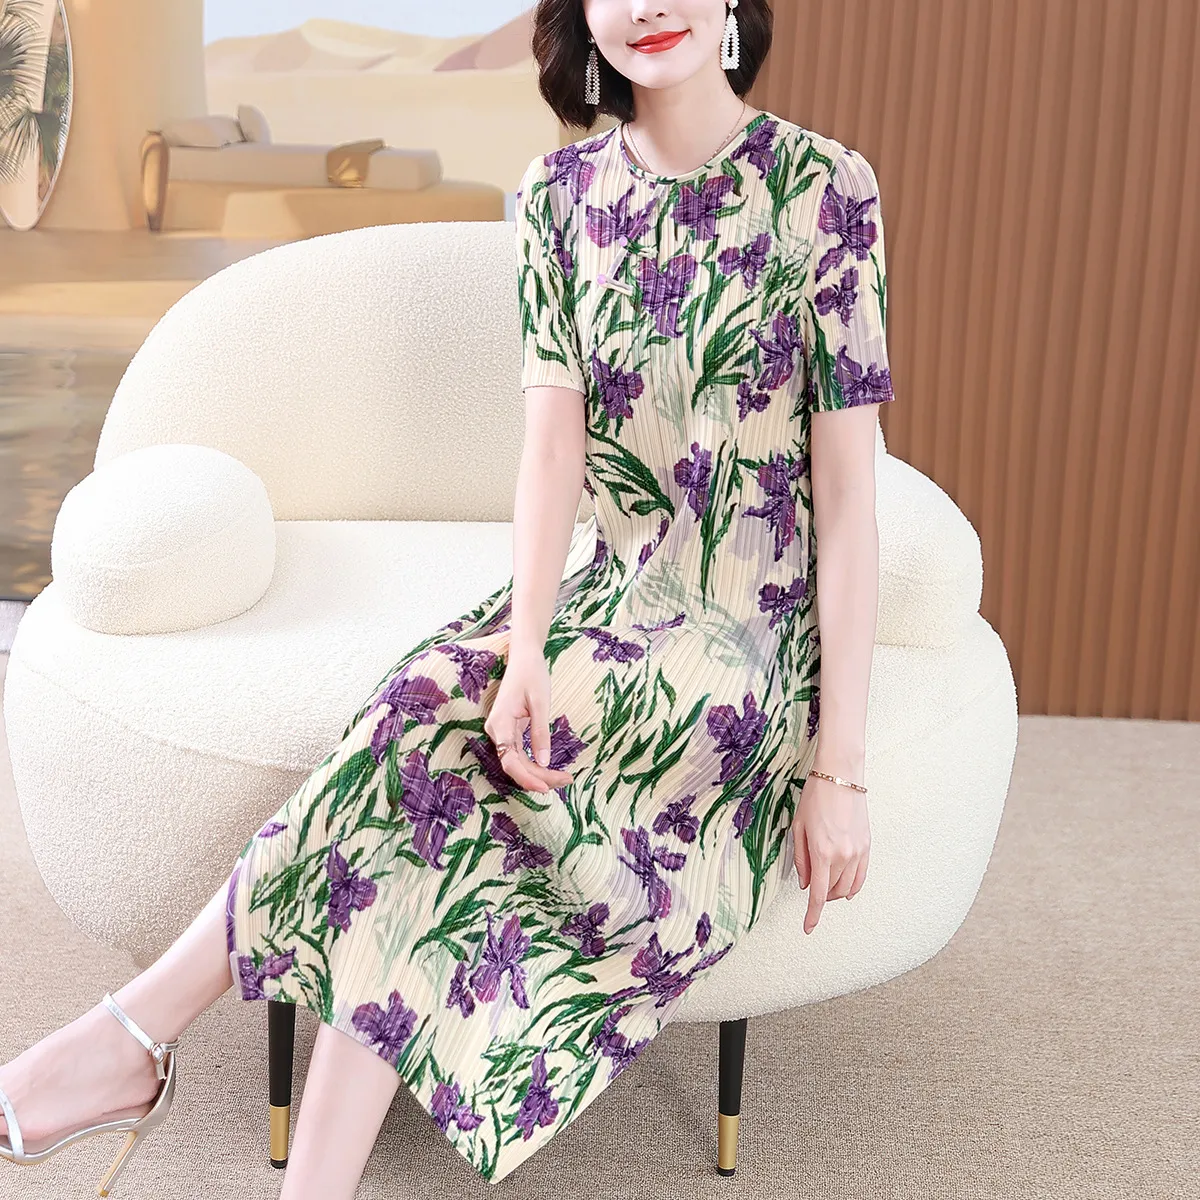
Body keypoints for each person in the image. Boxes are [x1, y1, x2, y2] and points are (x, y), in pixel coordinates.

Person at [0, 0, 896, 1195]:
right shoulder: (562, 196)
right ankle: (213, 1108)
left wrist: (840, 772)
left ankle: (129, 1044)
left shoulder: (824, 189)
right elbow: (553, 456)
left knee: (436, 780)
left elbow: (849, 501)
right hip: (607, 597)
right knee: (417, 712)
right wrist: (524, 652)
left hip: (743, 645)